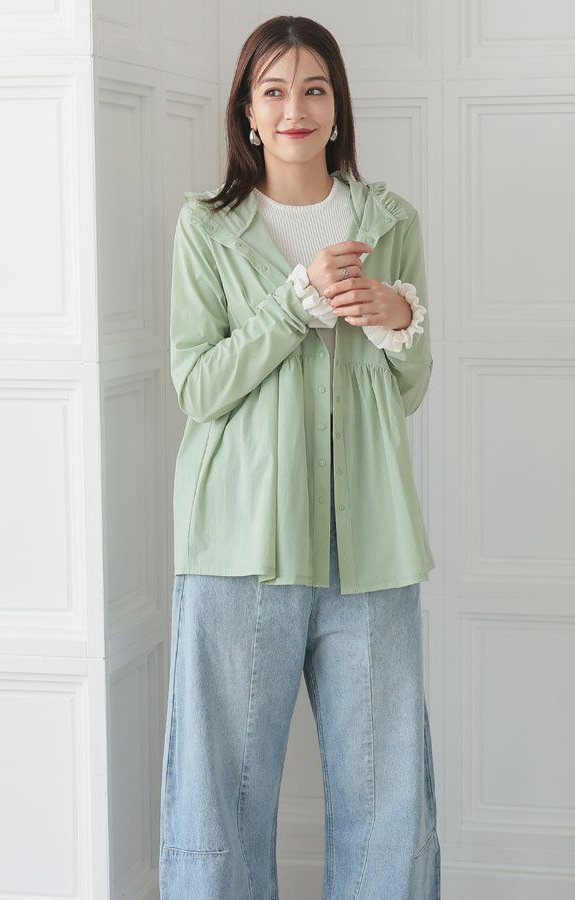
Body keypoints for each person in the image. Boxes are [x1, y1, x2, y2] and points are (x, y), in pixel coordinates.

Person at [159, 14, 440, 900]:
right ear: (247, 112)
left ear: (337, 105)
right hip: (240, 544)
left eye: (314, 89)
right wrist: (293, 307)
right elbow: (198, 386)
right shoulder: (208, 229)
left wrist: (398, 320)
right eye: (273, 91)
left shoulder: (389, 221)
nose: (295, 109)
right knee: (222, 796)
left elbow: (408, 389)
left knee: (385, 799)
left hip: (370, 543)